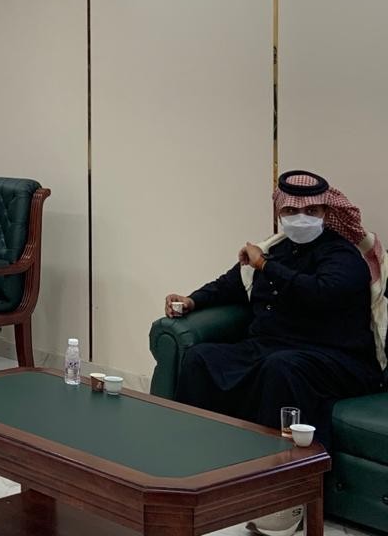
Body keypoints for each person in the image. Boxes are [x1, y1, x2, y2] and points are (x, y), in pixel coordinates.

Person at [165, 170, 385, 535]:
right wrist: (192, 300)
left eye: (311, 211)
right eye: (292, 211)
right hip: (272, 348)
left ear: (326, 213)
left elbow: (320, 293)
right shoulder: (276, 250)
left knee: (282, 368)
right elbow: (231, 284)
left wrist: (266, 266)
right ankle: (198, 469)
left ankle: (284, 496)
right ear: (280, 213)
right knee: (202, 358)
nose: (301, 218)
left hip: (336, 357)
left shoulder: (342, 255)